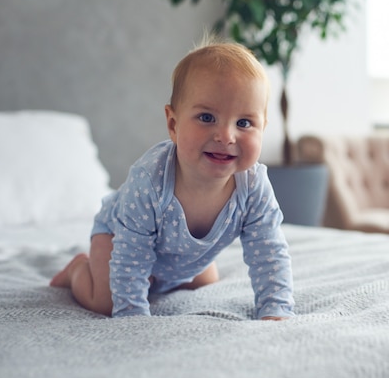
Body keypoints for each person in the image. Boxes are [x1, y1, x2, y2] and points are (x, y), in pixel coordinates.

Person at [50, 38, 295, 320]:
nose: (226, 136)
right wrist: (132, 312)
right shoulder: (150, 181)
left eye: (244, 123)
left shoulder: (253, 187)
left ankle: (158, 277)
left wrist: (275, 308)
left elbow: (269, 253)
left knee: (205, 281)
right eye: (206, 117)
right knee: (105, 301)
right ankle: (79, 269)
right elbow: (131, 255)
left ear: (263, 127)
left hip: (179, 256)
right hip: (119, 236)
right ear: (173, 124)